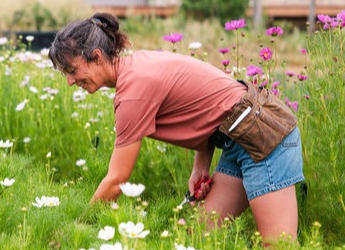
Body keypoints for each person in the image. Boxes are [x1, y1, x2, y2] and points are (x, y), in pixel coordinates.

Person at [48, 13, 305, 244]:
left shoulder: (133, 92)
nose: (70, 81)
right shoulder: (137, 66)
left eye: (72, 70)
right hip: (237, 137)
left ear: (96, 56)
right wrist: (200, 167)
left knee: (279, 245)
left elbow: (116, 180)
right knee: (200, 240)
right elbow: (211, 108)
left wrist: (78, 228)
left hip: (265, 134)